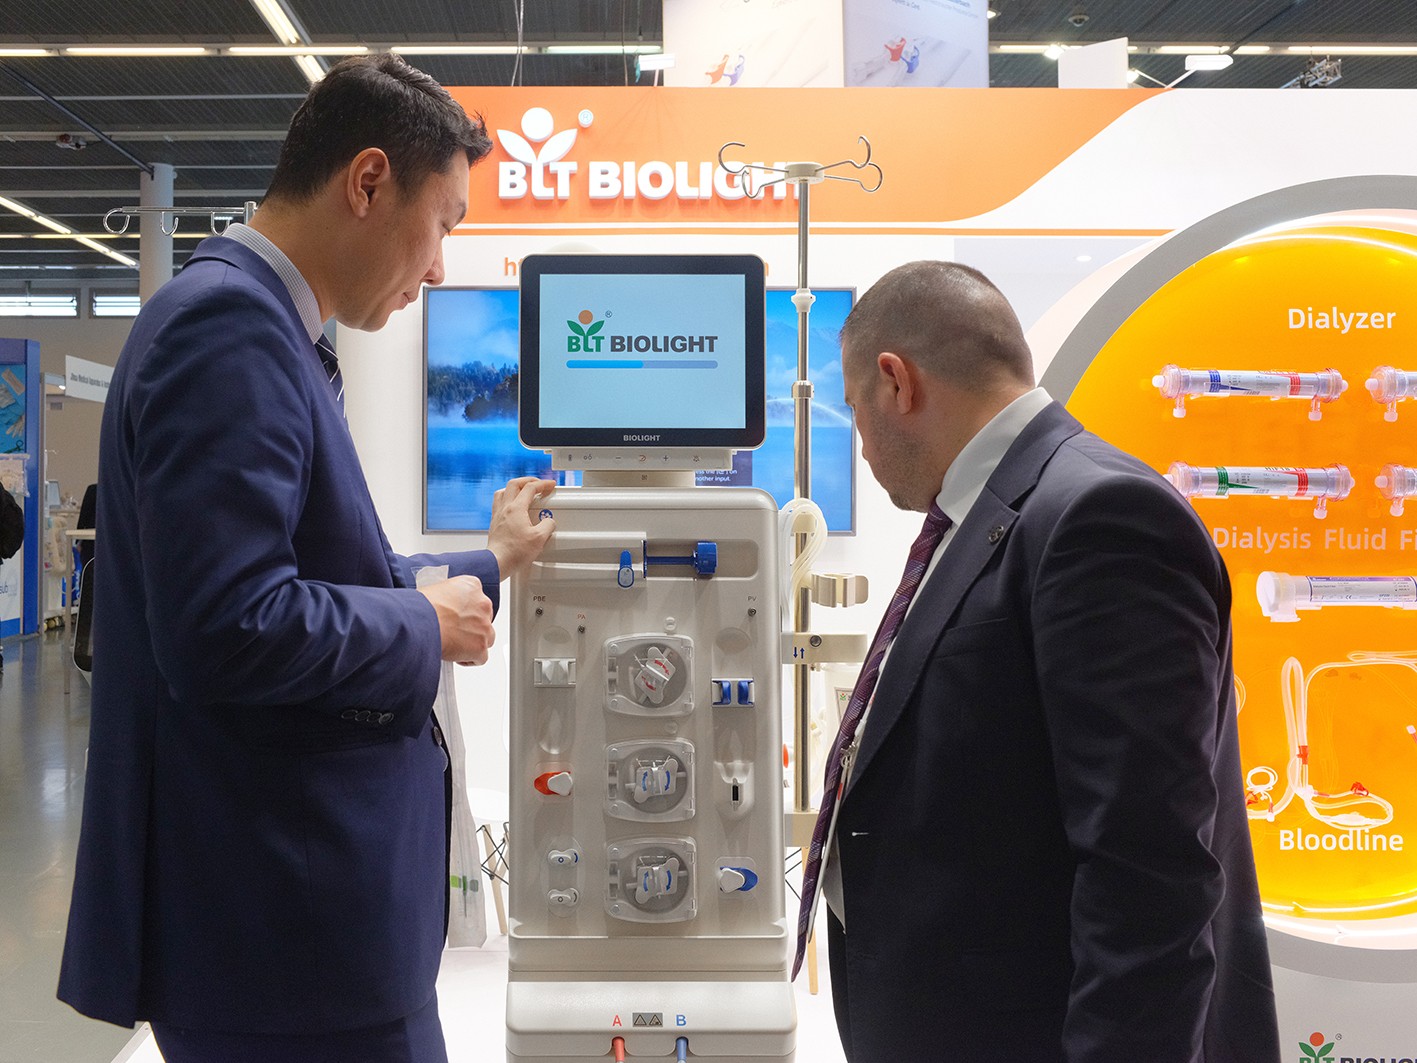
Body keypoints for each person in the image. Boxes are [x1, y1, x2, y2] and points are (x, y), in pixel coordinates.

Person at [57, 54, 554, 1063]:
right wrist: (425, 623)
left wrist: (491, 561)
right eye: (444, 224)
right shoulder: (228, 330)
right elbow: (227, 625)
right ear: (368, 182)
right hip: (285, 930)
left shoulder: (259, 328)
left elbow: (323, 573)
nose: (439, 267)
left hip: (289, 926)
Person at [796, 261, 1280, 1062]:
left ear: (895, 381)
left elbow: (1147, 870)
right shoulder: (989, 516)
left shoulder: (1097, 516)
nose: (865, 448)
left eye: (854, 411)